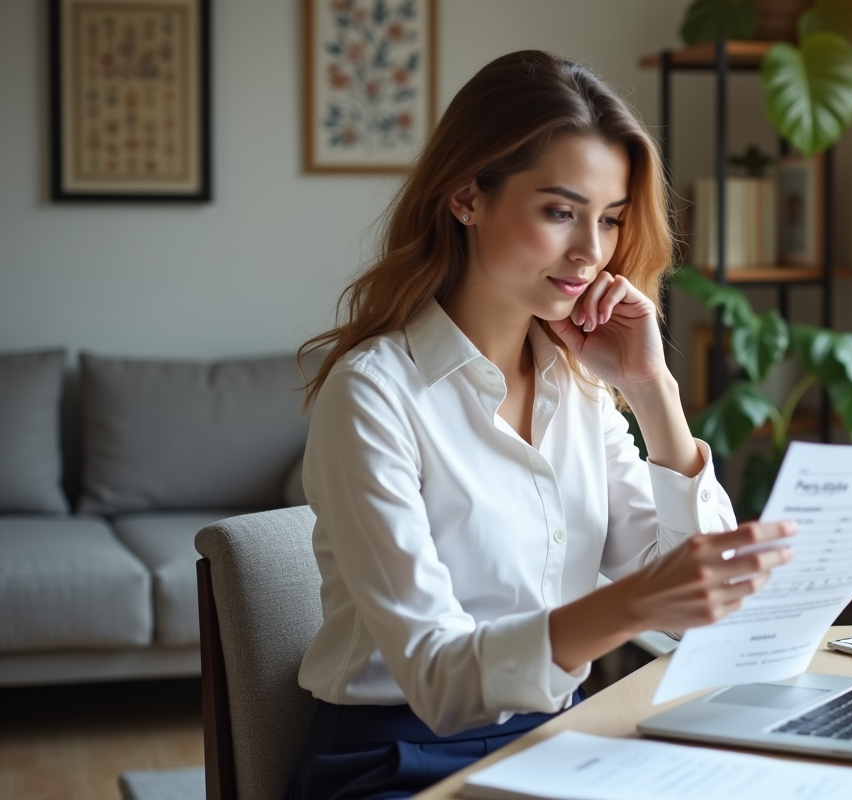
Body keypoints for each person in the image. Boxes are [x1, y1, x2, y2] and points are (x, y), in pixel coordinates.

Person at [288, 50, 795, 799]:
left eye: (611, 219)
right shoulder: (374, 397)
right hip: (397, 761)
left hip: (557, 740)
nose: (592, 253)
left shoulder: (581, 387)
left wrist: (652, 391)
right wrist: (637, 601)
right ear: (467, 196)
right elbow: (438, 679)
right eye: (560, 212)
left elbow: (700, 617)